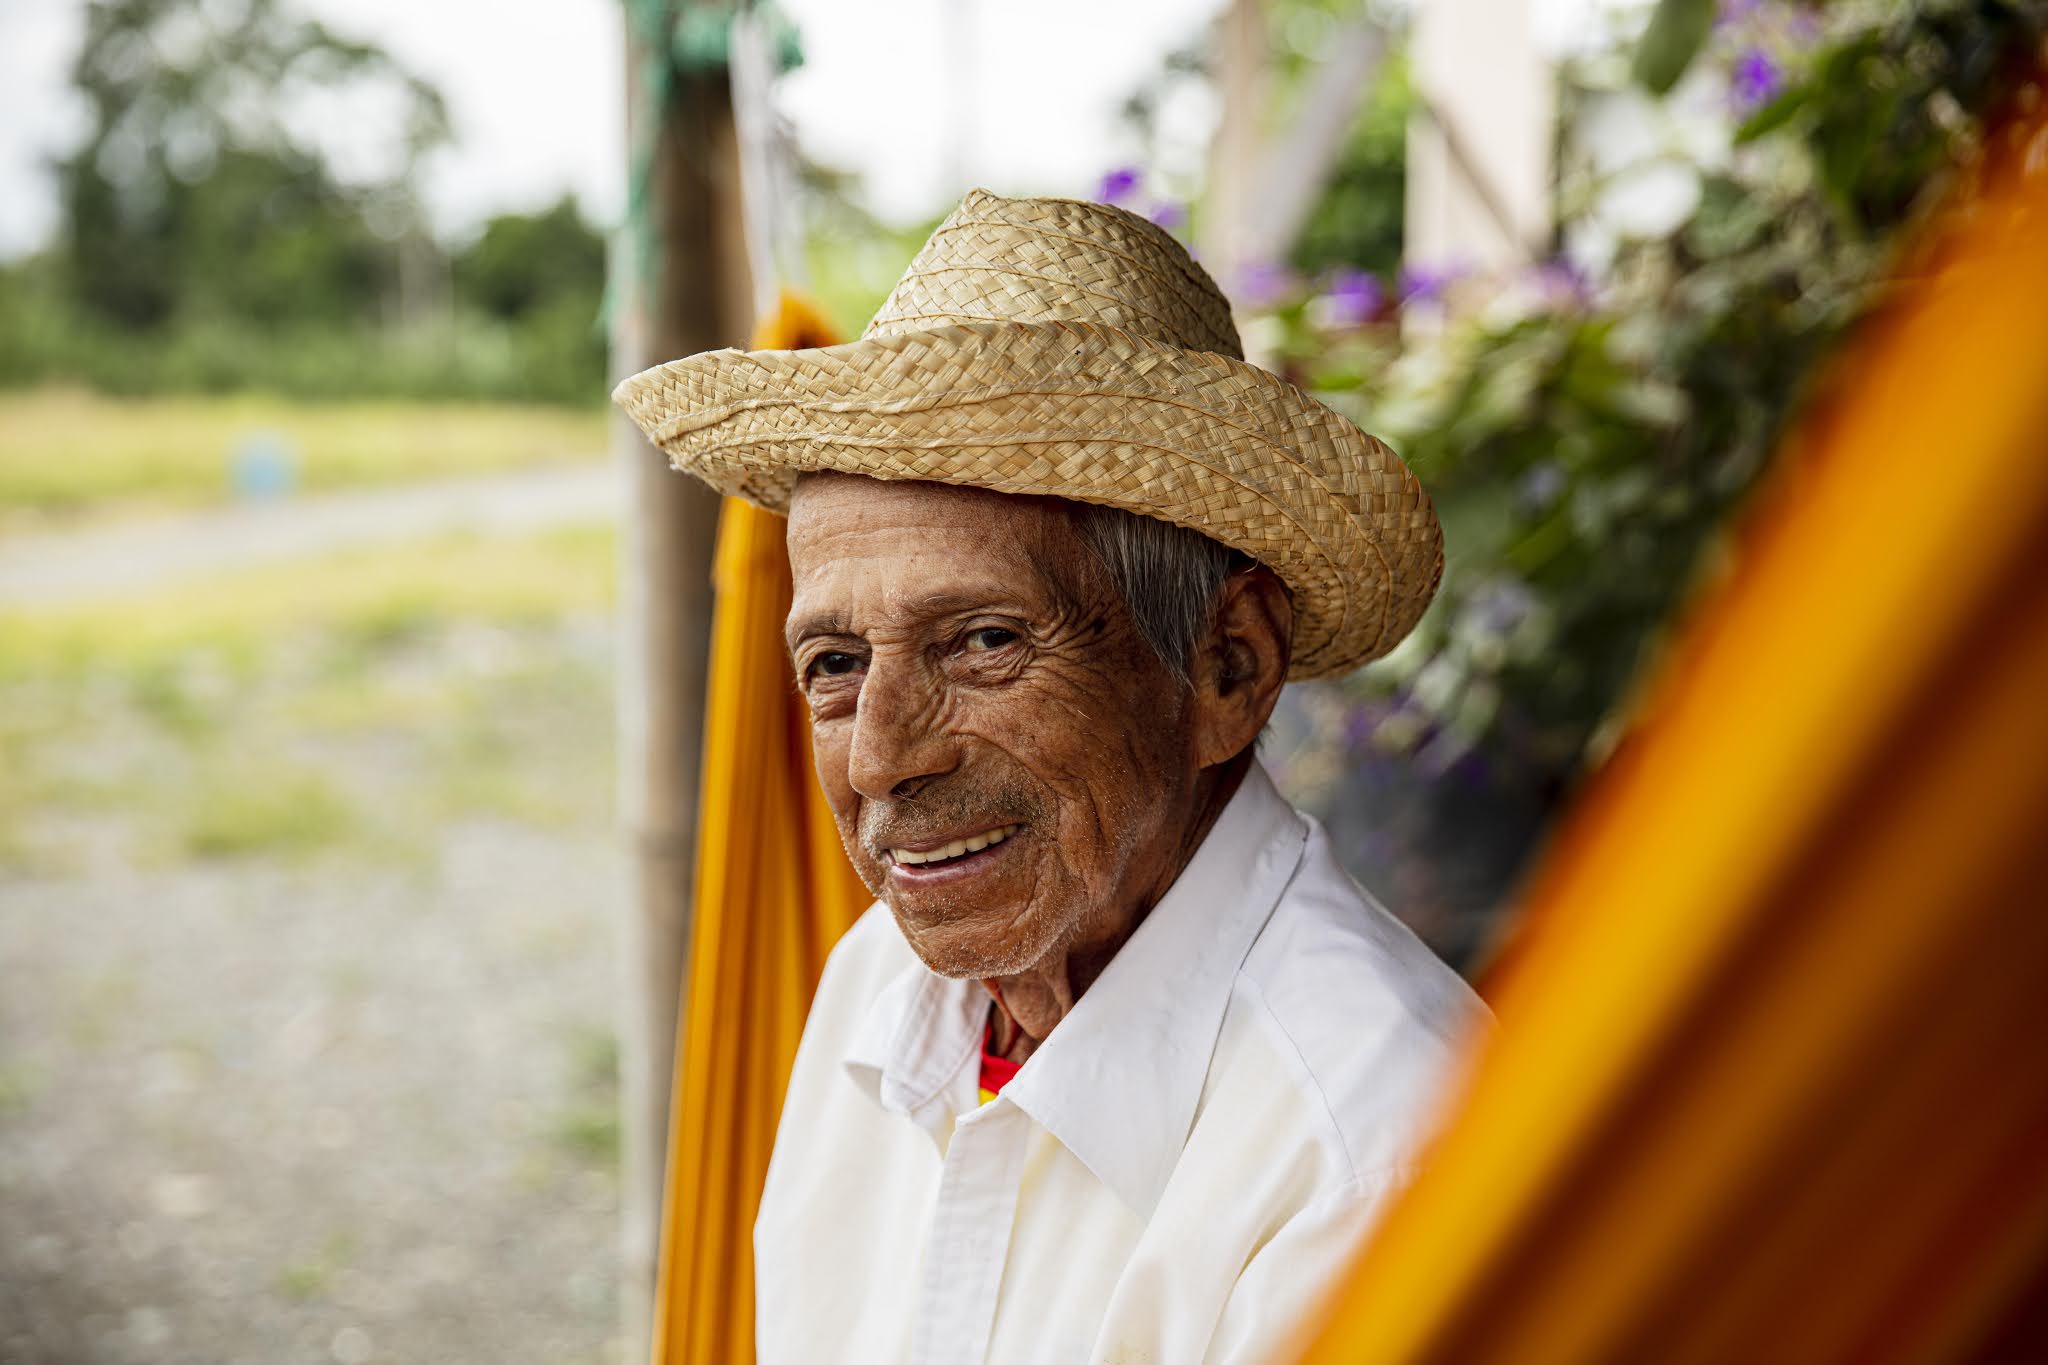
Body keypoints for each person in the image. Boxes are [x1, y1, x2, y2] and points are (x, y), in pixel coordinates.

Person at [614, 189, 1489, 1365]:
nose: (879, 756)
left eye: (981, 643)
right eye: (832, 663)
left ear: (1227, 666)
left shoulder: (1375, 1153)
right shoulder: (877, 984)